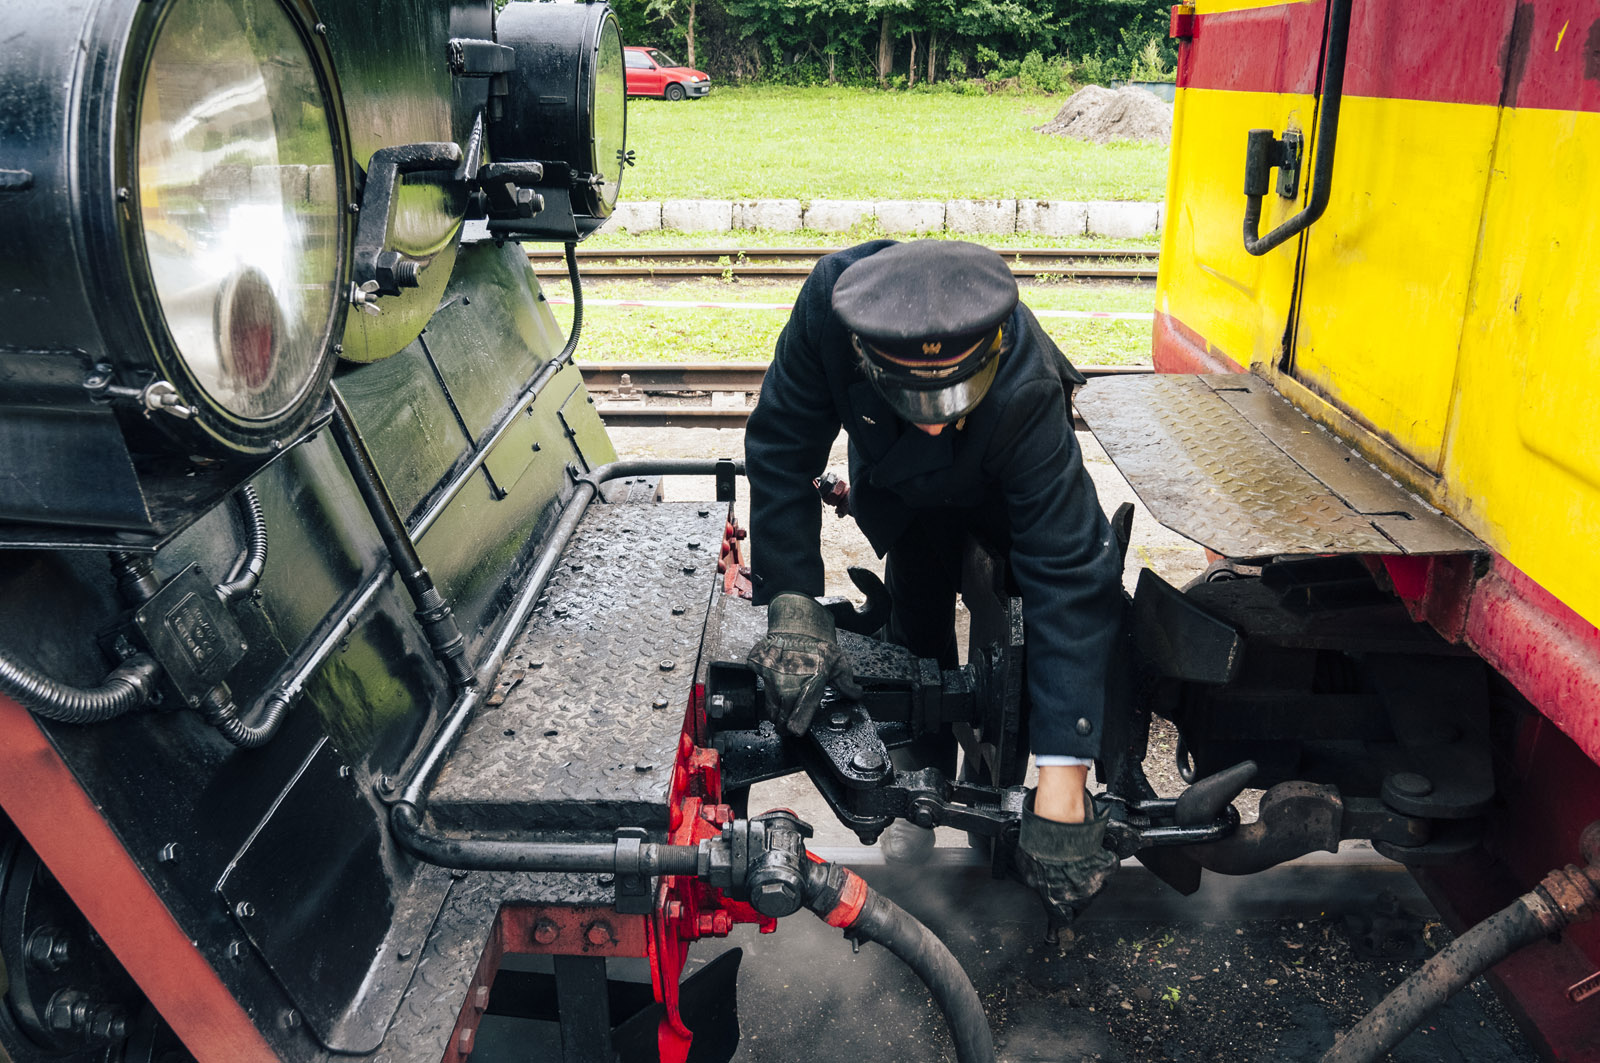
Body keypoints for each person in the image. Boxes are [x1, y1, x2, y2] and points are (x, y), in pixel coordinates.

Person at [743, 239, 1125, 924]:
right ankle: (915, 787)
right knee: (914, 617)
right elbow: (780, 449)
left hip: (1002, 491)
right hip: (901, 494)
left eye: (952, 396)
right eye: (916, 399)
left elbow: (1066, 566)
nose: (937, 419)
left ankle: (1000, 802)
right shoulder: (829, 312)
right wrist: (794, 605)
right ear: (865, 355)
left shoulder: (1025, 384)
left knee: (1024, 635)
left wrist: (1066, 770)